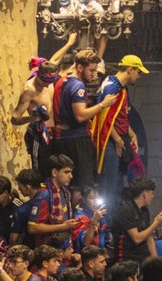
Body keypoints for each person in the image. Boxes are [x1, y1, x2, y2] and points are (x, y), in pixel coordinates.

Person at [47, 49, 118, 189]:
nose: (94, 74)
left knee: (65, 185)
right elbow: (80, 115)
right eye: (91, 70)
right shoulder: (78, 86)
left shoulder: (62, 80)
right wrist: (103, 104)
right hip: (76, 141)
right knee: (83, 186)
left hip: (61, 139)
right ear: (79, 68)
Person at [92, 55, 149, 199]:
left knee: (118, 185)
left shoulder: (120, 87)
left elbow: (120, 115)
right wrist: (117, 139)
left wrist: (132, 134)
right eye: (139, 72)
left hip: (120, 140)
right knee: (110, 186)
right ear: (130, 70)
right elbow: (104, 119)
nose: (140, 76)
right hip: (110, 143)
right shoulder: (112, 87)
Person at [112, 177, 162, 262]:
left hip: (143, 260)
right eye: (151, 193)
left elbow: (149, 237)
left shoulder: (144, 211)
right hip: (127, 262)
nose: (153, 196)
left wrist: (156, 262)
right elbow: (137, 239)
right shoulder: (127, 210)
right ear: (144, 194)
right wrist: (155, 224)